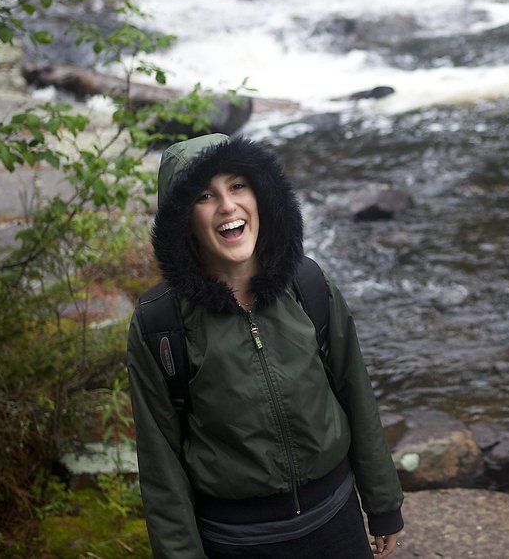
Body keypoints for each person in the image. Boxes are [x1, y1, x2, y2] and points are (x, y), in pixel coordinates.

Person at [127, 133, 404, 558]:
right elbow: (160, 462)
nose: (227, 206)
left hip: (336, 523)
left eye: (238, 185)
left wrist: (383, 503)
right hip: (237, 542)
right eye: (205, 195)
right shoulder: (159, 324)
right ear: (182, 218)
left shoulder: (308, 284)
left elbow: (356, 393)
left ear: (261, 195)